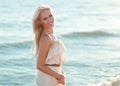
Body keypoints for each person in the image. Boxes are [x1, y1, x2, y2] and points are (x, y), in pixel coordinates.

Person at [32, 5, 66, 86]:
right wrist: (59, 76)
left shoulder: (51, 33)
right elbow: (39, 65)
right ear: (40, 21)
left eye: (50, 16)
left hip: (54, 75)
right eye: (45, 18)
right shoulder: (46, 38)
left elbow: (53, 58)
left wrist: (60, 72)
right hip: (47, 79)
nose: (50, 19)